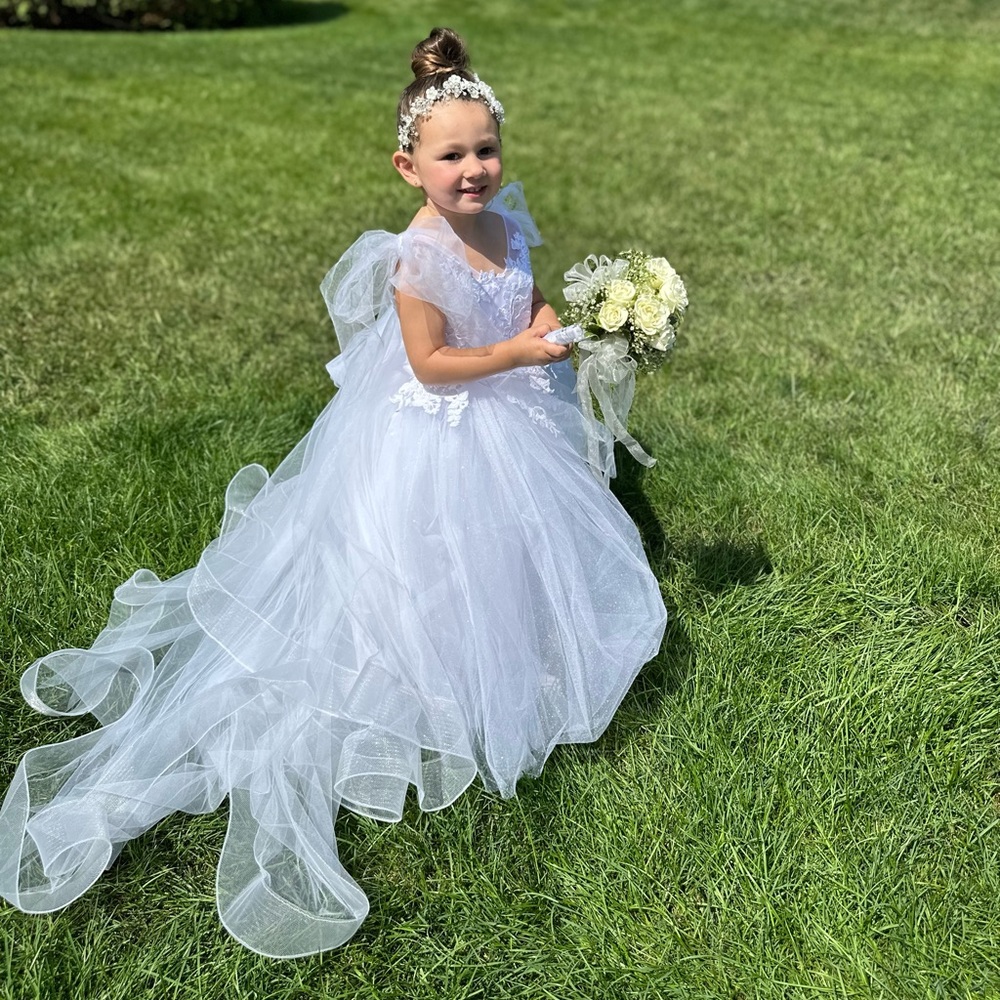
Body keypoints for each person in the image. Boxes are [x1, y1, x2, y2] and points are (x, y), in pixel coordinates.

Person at [0, 27, 666, 958]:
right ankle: (418, 673)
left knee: (510, 544)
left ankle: (503, 648)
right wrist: (517, 355)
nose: (473, 169)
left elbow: (527, 301)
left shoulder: (507, 222)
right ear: (408, 166)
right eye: (452, 155)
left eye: (485, 149)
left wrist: (560, 324)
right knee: (426, 553)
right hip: (435, 432)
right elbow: (433, 366)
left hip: (509, 416)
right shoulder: (417, 258)